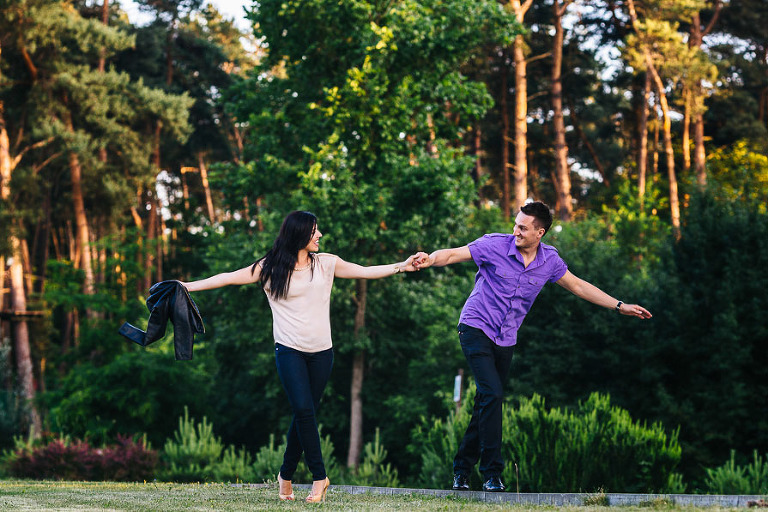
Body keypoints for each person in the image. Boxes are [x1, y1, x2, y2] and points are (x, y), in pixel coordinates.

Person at [181, 210, 421, 503]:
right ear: (299, 235)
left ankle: (285, 476)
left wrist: (403, 266)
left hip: (322, 353)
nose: (319, 235)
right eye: (314, 231)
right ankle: (320, 478)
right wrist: (186, 286)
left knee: (303, 413)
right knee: (305, 412)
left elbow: (365, 270)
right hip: (289, 350)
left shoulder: (327, 264)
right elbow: (229, 277)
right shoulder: (269, 268)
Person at [412, 201, 652, 492]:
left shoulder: (549, 261)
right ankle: (492, 473)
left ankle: (461, 470)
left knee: (487, 401)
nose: (515, 231)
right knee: (493, 393)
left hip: (506, 338)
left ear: (540, 232)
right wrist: (430, 258)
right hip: (475, 327)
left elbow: (577, 285)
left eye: (523, 228)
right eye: (515, 224)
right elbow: (452, 254)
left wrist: (619, 305)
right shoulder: (494, 245)